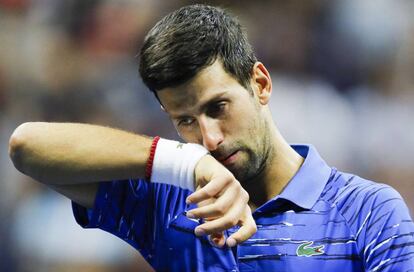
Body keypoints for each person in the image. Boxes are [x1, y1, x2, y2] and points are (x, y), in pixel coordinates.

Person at [8, 4, 414, 272]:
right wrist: (185, 161)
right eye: (185, 120)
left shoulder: (367, 210)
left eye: (218, 107)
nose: (210, 138)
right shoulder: (168, 201)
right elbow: (28, 146)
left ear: (260, 83)